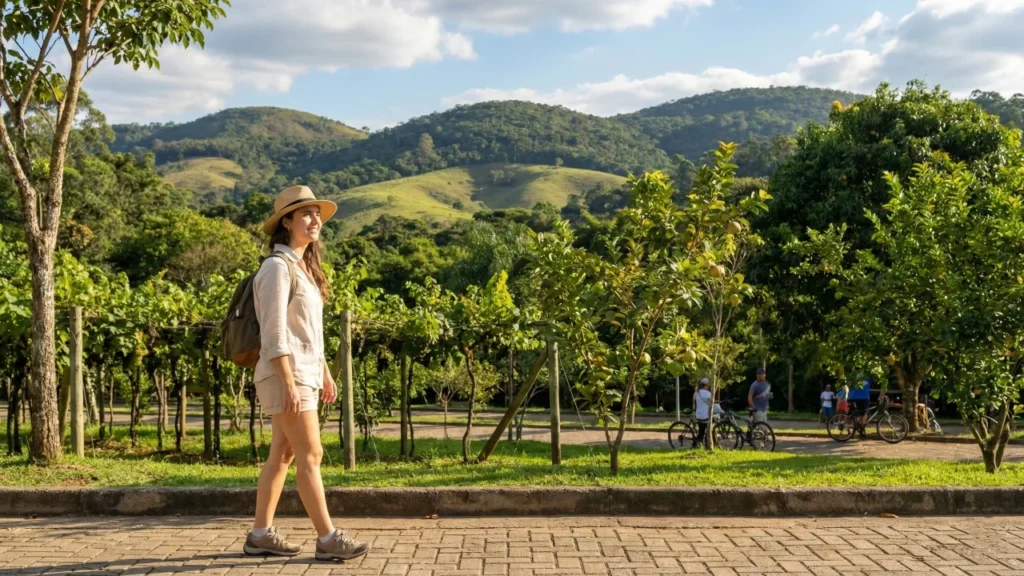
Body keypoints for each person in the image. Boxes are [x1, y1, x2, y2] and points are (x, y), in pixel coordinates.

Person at [244, 185, 370, 562]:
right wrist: (287, 381)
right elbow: (274, 332)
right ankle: (329, 539)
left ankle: (260, 535)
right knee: (311, 454)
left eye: (317, 214)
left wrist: (325, 372)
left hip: (302, 372)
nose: (315, 220)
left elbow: (306, 332)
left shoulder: (303, 269)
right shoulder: (276, 268)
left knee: (282, 454)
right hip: (286, 374)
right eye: (306, 214)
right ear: (287, 221)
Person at [692, 378, 712, 448]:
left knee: (702, 430)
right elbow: (712, 404)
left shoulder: (696, 393)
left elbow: (693, 403)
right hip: (705, 416)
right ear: (706, 385)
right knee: (704, 431)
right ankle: (700, 443)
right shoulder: (709, 394)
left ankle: (698, 442)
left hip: (698, 415)